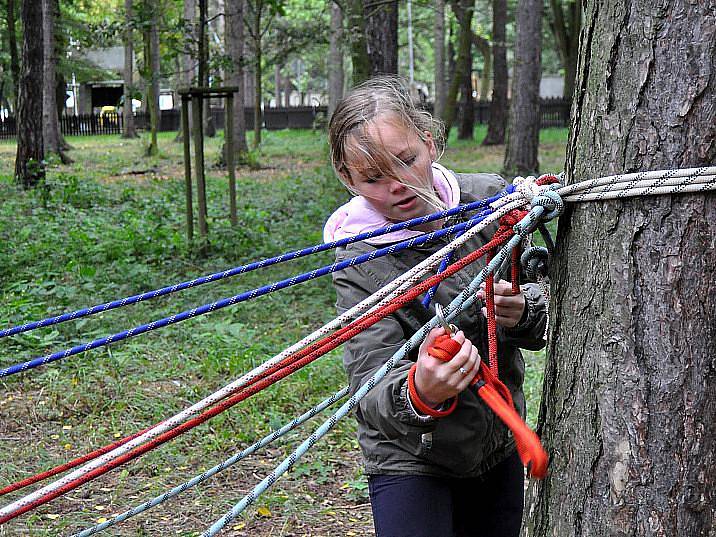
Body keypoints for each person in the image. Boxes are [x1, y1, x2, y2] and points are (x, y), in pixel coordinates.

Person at [323, 76, 547, 537]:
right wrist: (420, 390)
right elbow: (371, 385)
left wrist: (523, 309)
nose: (397, 186)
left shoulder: (490, 202)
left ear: (429, 142)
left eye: (406, 161)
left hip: (495, 441)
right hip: (409, 456)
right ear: (347, 177)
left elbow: (556, 297)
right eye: (373, 177)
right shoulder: (357, 261)